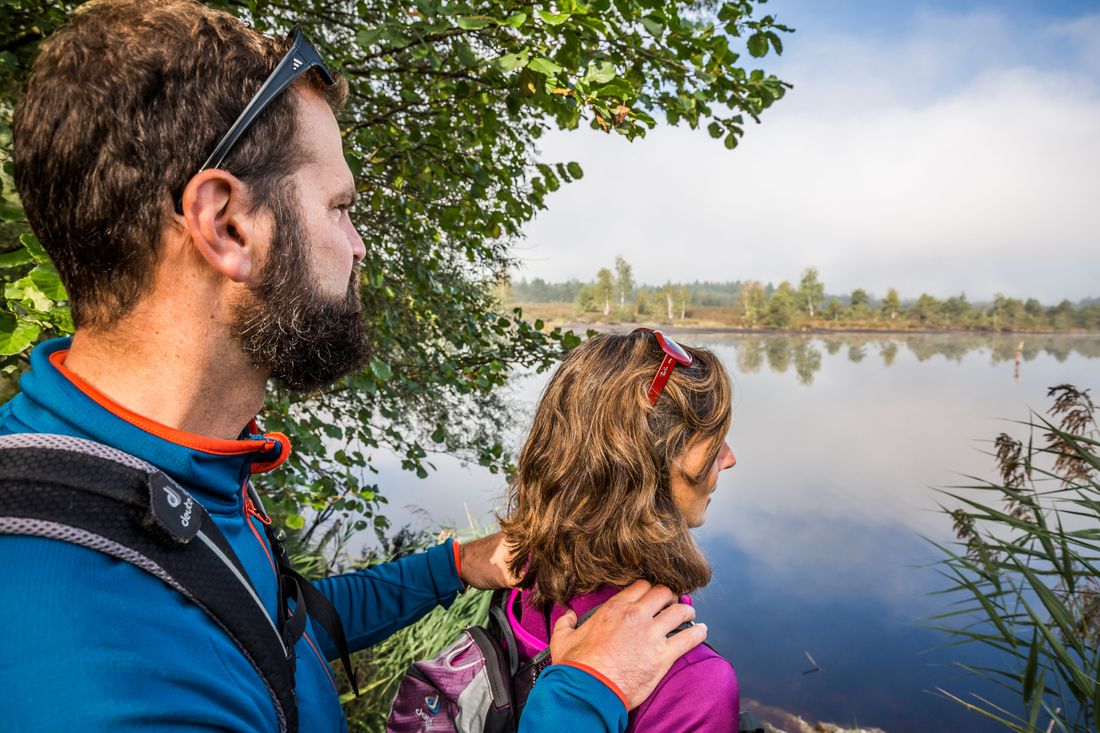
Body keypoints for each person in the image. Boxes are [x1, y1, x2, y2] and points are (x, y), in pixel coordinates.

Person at [0, 1, 706, 731]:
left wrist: (451, 565)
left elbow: (274, 627)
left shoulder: (164, 472)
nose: (358, 244)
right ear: (229, 226)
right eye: (339, 207)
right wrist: (584, 692)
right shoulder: (97, 678)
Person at [500, 329, 739, 731]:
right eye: (713, 442)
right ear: (649, 462)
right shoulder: (696, 685)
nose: (729, 459)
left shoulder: (527, 568)